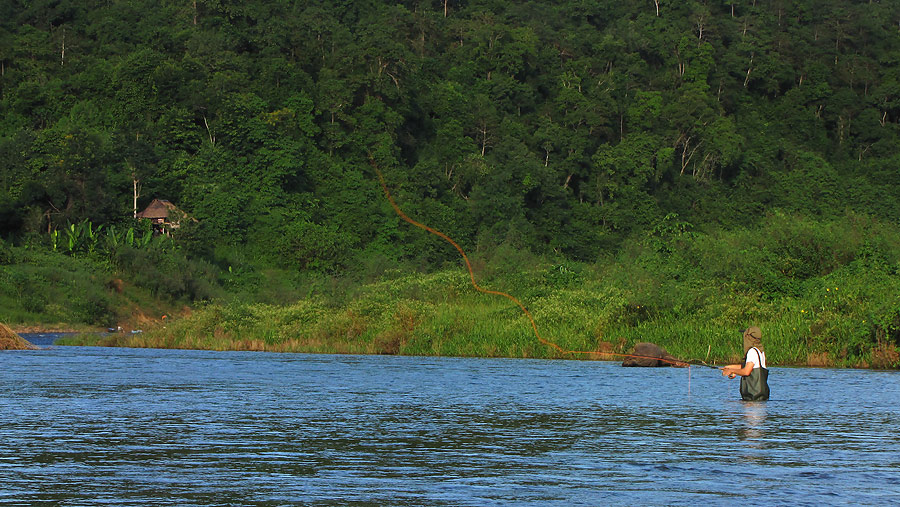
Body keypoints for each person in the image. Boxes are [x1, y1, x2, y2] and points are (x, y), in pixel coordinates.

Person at [721, 326, 770, 401]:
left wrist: (732, 371)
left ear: (748, 337)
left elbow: (746, 372)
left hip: (753, 398)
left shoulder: (752, 352)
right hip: (760, 398)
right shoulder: (760, 351)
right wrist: (729, 367)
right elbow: (749, 367)